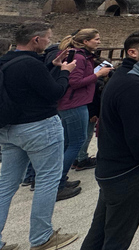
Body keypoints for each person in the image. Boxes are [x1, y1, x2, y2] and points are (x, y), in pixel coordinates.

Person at [80, 30, 139, 250]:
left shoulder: (126, 77)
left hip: (112, 169)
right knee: (118, 238)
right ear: (133, 52)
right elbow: (138, 133)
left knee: (99, 233)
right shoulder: (131, 85)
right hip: (127, 173)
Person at [0, 22, 78, 250]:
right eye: (48, 38)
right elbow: (54, 92)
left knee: (6, 185)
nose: (50, 42)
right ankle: (42, 237)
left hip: (8, 130)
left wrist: (52, 67)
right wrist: (65, 72)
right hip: (38, 128)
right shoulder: (31, 65)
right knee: (47, 179)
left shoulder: (6, 60)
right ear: (36, 39)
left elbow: (27, 86)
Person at [56, 29, 113, 200]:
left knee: (67, 143)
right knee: (76, 142)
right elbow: (74, 82)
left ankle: (59, 179)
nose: (99, 41)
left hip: (71, 104)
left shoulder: (79, 56)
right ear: (86, 41)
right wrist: (98, 74)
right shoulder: (79, 58)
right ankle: (58, 183)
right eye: (96, 39)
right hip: (75, 104)